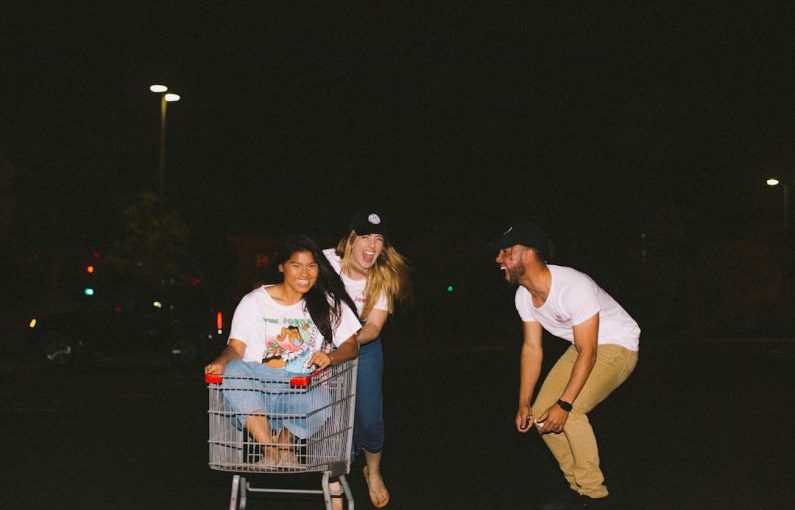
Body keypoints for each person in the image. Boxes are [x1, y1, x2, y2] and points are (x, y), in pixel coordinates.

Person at [493, 222, 640, 510]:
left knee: (568, 411)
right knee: (540, 415)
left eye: (506, 251)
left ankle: (594, 495)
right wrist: (523, 402)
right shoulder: (523, 296)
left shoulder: (573, 286)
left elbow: (589, 352)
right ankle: (577, 488)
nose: (499, 259)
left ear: (529, 254)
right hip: (585, 346)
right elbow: (532, 349)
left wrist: (565, 403)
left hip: (618, 344)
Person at [204, 235, 361, 467]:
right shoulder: (254, 301)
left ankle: (286, 447)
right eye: (296, 265)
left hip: (297, 391)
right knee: (234, 369)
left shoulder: (326, 304)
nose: (304, 274)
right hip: (255, 391)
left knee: (323, 399)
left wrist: (330, 356)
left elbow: (351, 345)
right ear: (281, 267)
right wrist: (221, 360)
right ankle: (270, 450)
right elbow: (235, 348)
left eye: (311, 266)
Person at [323, 209, 411, 508]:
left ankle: (372, 471)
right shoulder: (324, 263)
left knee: (370, 419)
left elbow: (373, 327)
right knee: (330, 417)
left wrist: (346, 343)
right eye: (364, 237)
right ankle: (334, 481)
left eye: (378, 239)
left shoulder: (382, 277)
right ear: (350, 241)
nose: (371, 246)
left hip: (363, 345)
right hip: (321, 347)